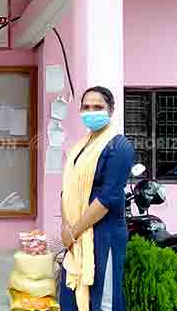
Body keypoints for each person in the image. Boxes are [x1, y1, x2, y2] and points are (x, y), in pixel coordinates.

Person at [59, 86, 134, 311]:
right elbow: (67, 188)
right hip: (75, 235)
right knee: (71, 295)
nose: (91, 111)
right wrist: (66, 227)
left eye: (98, 107)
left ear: (111, 110)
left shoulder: (120, 147)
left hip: (104, 235)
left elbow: (107, 198)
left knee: (103, 300)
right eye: (86, 107)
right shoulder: (81, 146)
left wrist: (73, 232)